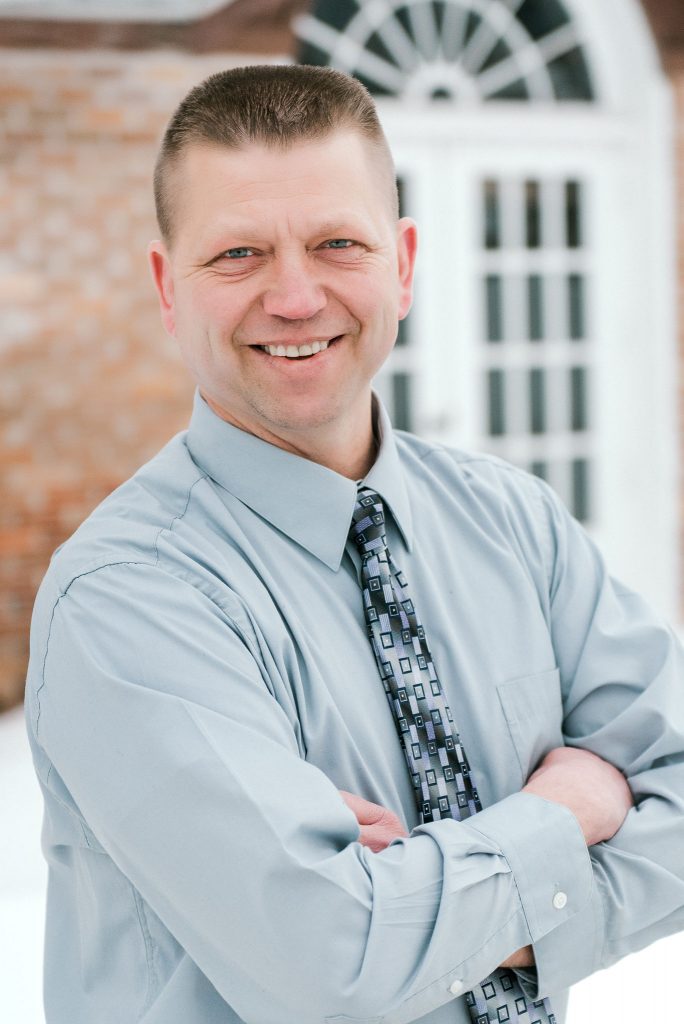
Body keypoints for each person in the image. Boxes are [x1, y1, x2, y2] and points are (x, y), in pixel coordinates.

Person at [25, 64, 684, 1024]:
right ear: (169, 288)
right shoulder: (126, 596)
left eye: (338, 242)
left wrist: (419, 893)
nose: (295, 298)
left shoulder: (515, 522)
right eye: (239, 254)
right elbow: (331, 972)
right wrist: (567, 811)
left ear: (404, 263)